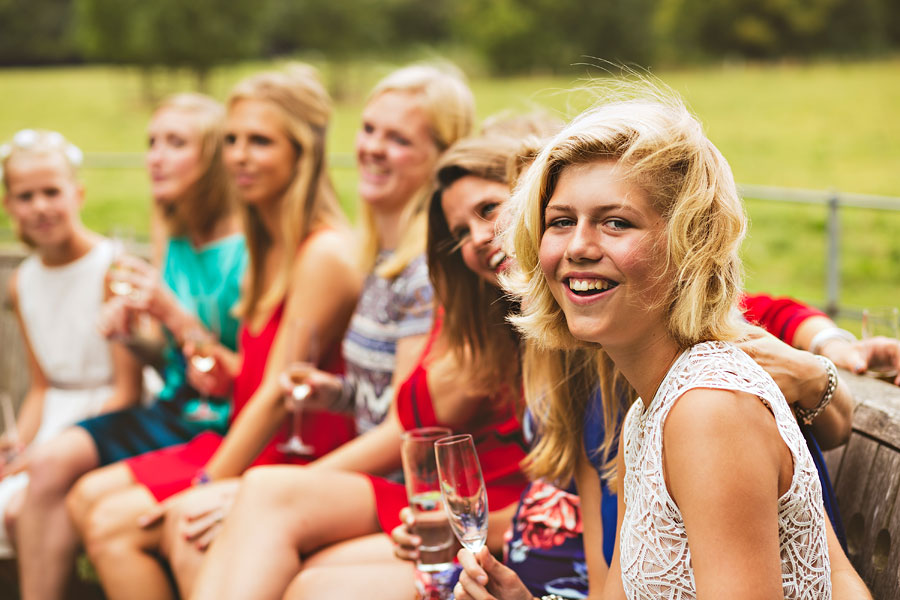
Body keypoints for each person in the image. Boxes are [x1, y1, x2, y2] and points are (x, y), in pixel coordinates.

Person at [85, 63, 475, 600]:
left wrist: (222, 484)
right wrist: (331, 393)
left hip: (395, 481)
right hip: (346, 472)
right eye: (369, 131)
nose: (374, 148)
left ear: (442, 158)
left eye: (399, 139)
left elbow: (404, 423)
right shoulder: (376, 257)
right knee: (114, 508)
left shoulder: (416, 269)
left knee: (168, 524)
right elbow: (364, 395)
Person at [466, 87, 872, 598]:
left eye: (616, 222)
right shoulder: (648, 412)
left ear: (688, 243)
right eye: (561, 222)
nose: (578, 247)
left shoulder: (709, 410)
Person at [71, 63, 362, 600]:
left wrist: (210, 484)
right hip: (248, 438)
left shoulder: (323, 253)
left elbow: (278, 393)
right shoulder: (267, 246)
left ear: (303, 151)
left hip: (293, 454)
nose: (239, 156)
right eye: (231, 140)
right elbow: (241, 379)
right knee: (88, 500)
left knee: (118, 527)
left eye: (260, 141)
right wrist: (175, 332)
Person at [14, 93, 247, 600]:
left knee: (89, 500)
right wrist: (130, 336)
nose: (155, 157)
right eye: (151, 142)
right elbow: (171, 358)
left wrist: (173, 315)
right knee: (50, 462)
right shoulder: (174, 229)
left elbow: (240, 375)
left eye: (175, 143)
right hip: (174, 407)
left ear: (212, 160)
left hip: (226, 420)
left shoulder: (247, 247)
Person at [0, 129, 143, 558]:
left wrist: (44, 451)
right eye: (26, 197)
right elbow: (41, 387)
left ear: (77, 194)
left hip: (106, 422)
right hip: (52, 420)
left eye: (51, 192)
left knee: (21, 508)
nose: (40, 207)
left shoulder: (111, 268)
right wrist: (18, 445)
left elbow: (126, 391)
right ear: (9, 207)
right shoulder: (23, 281)